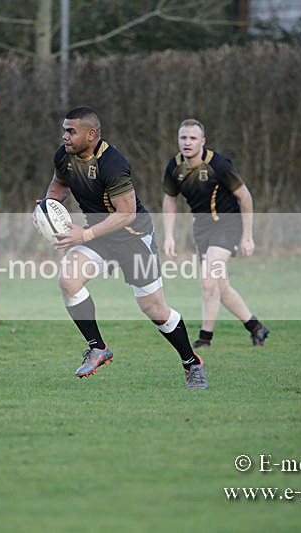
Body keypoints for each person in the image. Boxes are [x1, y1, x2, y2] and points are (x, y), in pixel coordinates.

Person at [41, 106, 207, 389]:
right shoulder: (64, 157)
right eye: (64, 130)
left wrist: (85, 234)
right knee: (69, 279)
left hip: (132, 237)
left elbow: (127, 213)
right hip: (98, 238)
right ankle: (98, 347)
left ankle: (191, 362)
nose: (65, 136)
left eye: (71, 131)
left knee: (155, 309)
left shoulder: (113, 164)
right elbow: (58, 186)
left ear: (91, 135)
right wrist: (48, 212)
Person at [162, 118, 269, 348]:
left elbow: (245, 196)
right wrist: (169, 235)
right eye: (183, 138)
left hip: (227, 225)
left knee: (208, 281)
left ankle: (204, 339)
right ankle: (256, 327)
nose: (187, 142)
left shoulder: (218, 165)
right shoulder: (175, 166)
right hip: (201, 229)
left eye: (192, 138)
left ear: (203, 141)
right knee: (221, 287)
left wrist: (247, 236)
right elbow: (170, 199)